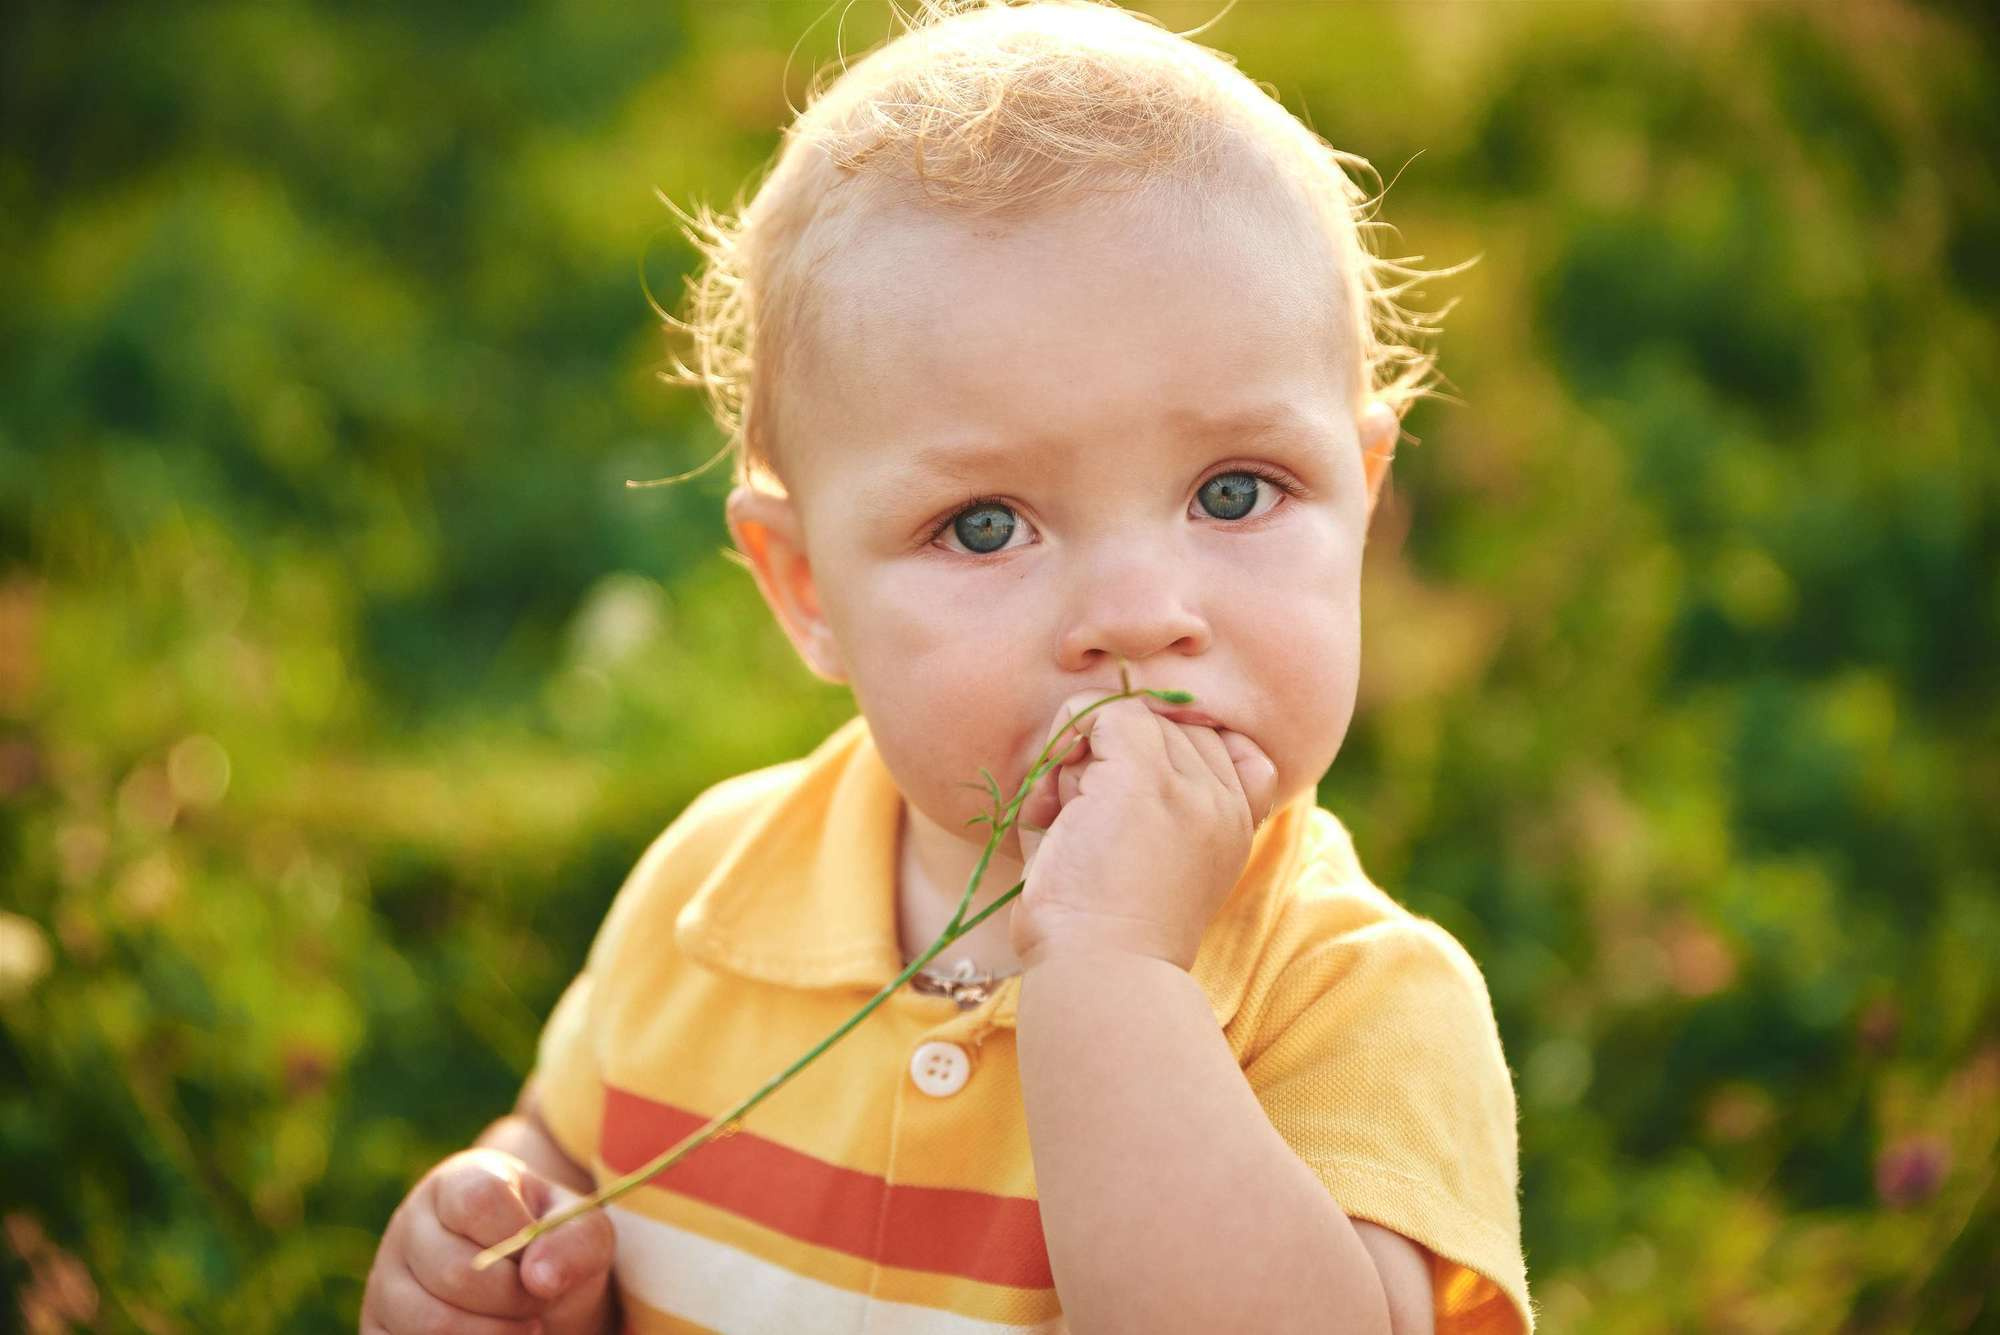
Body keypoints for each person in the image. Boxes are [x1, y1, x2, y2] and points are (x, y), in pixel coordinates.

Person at [362, 2, 1533, 1331]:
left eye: (1236, 491)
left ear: (1364, 495)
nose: (1140, 615)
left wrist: (1115, 981)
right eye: (986, 525)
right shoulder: (714, 894)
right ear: (808, 591)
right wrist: (514, 1240)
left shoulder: (1355, 1003)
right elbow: (577, 1149)